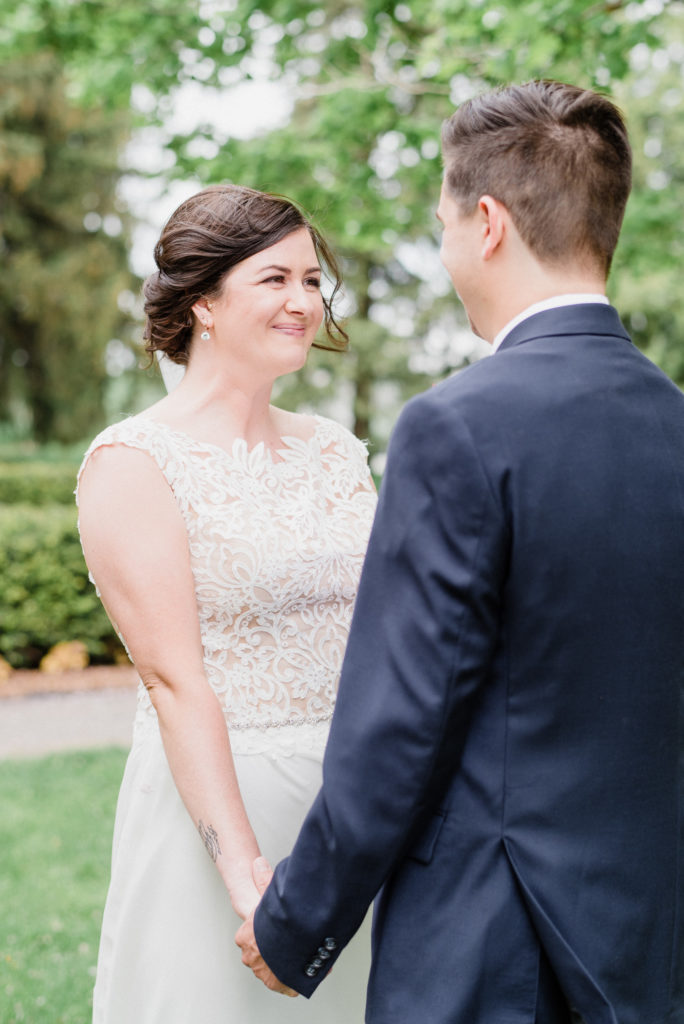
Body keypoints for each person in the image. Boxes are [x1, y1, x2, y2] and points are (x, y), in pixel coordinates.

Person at [236, 81, 684, 1023]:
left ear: (487, 223)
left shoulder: (456, 428)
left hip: (495, 941)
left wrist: (297, 919)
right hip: (651, 933)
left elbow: (403, 720)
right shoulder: (675, 424)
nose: (444, 253)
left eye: (442, 224)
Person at [76, 184, 376, 1023]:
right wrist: (246, 874)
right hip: (222, 802)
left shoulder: (336, 452)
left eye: (314, 281)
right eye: (274, 279)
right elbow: (174, 682)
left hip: (348, 810)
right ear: (203, 300)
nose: (303, 302)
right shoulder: (134, 462)